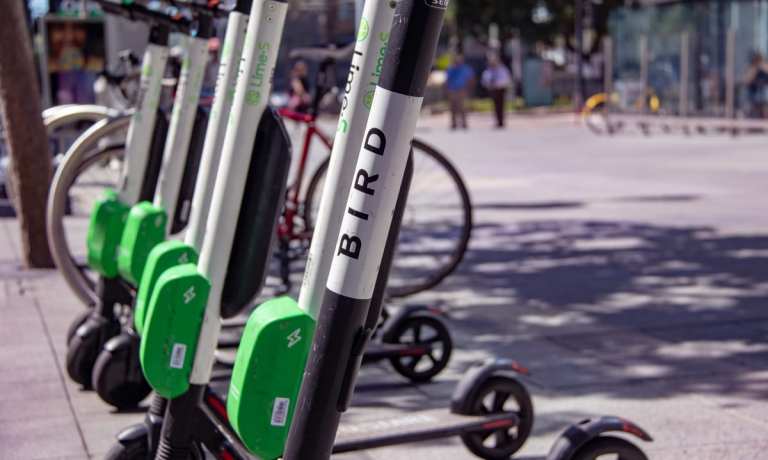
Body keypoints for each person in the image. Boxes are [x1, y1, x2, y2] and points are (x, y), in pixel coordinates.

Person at [444, 53, 475, 130]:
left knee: (462, 107)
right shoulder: (450, 68)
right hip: (452, 90)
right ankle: (454, 123)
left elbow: (471, 79)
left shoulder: (465, 69)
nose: (457, 62)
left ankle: (464, 123)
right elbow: (447, 80)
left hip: (462, 89)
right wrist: (446, 90)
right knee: (453, 107)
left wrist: (468, 89)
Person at [481, 53, 512, 128]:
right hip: (493, 90)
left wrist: (497, 84)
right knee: (495, 106)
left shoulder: (502, 69)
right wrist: (489, 85)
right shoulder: (489, 70)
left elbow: (506, 79)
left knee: (501, 106)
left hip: (501, 89)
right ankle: (497, 121)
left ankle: (501, 121)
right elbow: (485, 80)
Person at [745, 51, 768, 118]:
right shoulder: (752, 68)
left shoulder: (764, 67)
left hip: (764, 96)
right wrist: (755, 69)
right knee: (753, 112)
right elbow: (747, 80)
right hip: (753, 96)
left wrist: (763, 67)